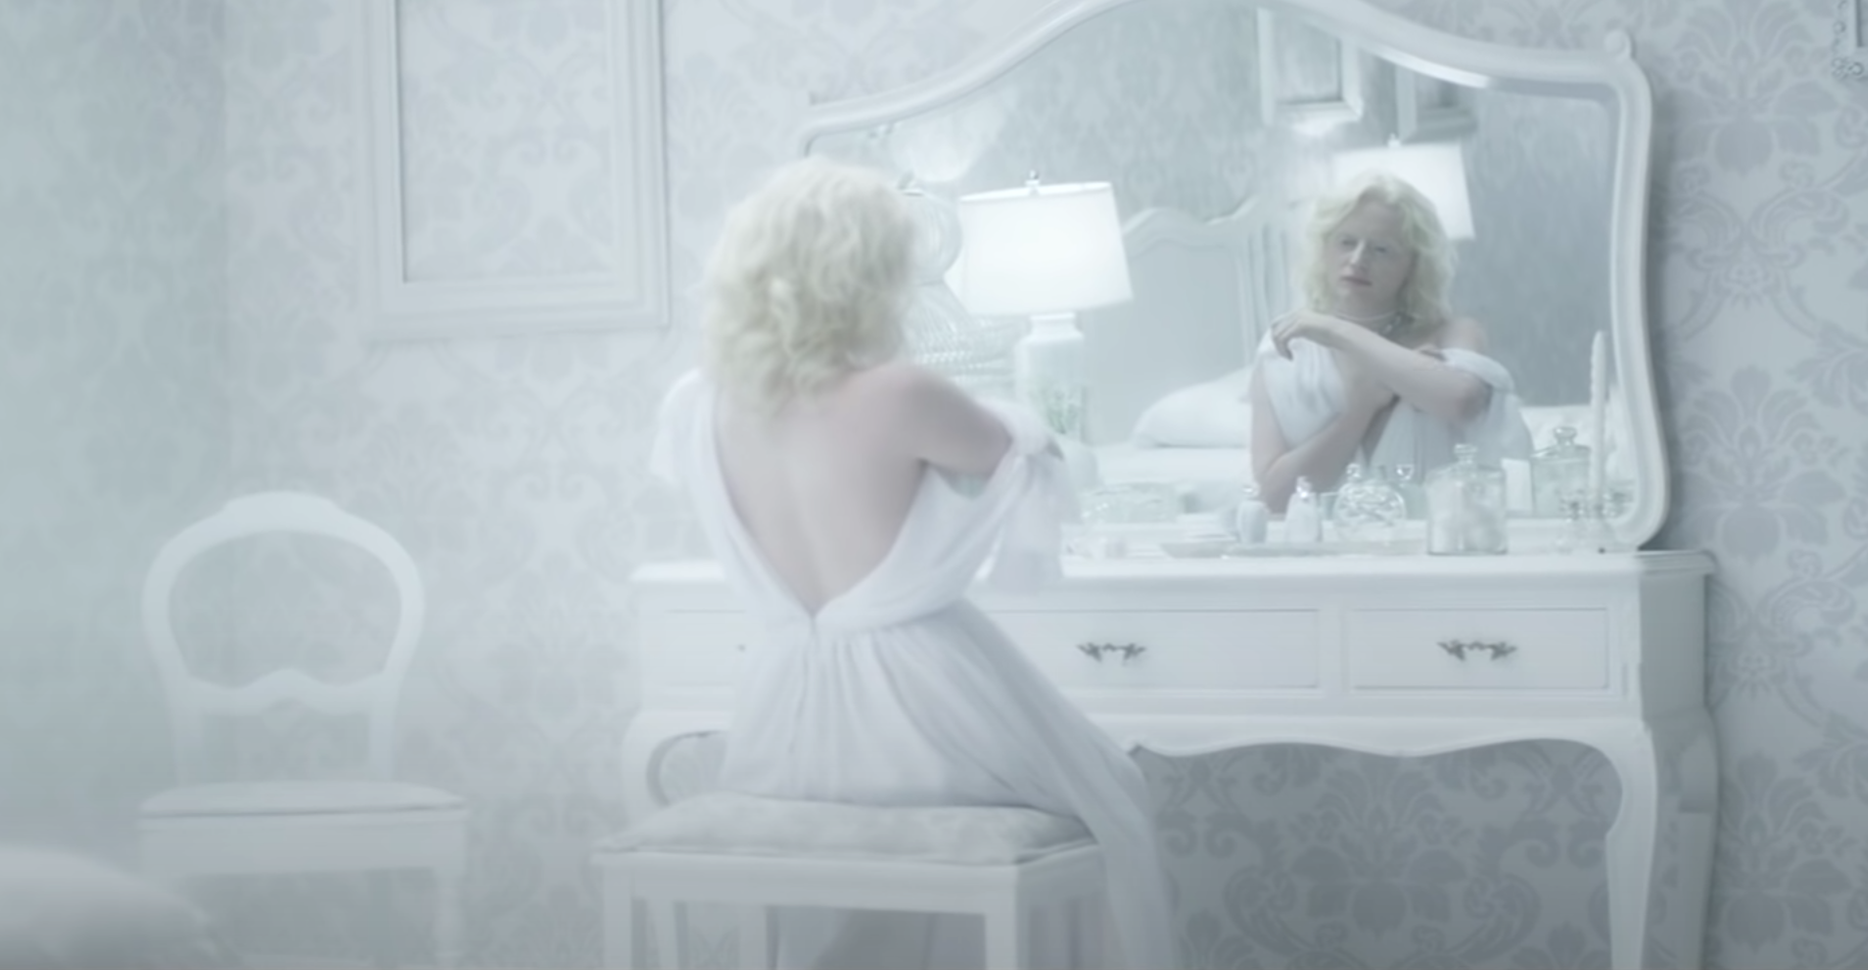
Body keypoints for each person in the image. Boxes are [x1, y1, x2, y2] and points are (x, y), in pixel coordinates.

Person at [647, 158, 1177, 970]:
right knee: (1110, 790)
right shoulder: (898, 393)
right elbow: (1029, 457)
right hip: (914, 696)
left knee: (871, 907)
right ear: (865, 276)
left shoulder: (703, 402)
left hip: (785, 706)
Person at [1248, 169, 1532, 514]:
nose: (1358, 260)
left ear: (1413, 265)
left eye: (1381, 249)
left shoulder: (1452, 332)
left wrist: (1338, 331)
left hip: (1436, 537)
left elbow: (1462, 402)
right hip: (1331, 543)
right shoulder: (1285, 349)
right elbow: (1273, 497)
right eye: (1346, 242)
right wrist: (1362, 410)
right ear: (1325, 248)